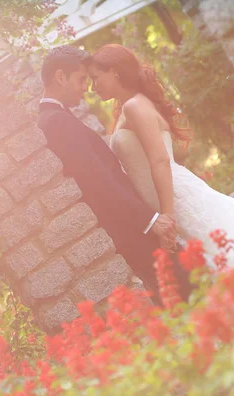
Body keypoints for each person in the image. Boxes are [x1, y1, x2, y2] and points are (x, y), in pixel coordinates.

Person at [36, 45, 192, 304]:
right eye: (82, 79)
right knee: (187, 293)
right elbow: (99, 182)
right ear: (60, 77)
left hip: (139, 224)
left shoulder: (57, 118)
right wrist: (151, 220)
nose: (86, 87)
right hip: (135, 229)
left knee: (187, 290)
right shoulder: (54, 122)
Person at [88, 43, 234, 269]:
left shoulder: (135, 106)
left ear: (114, 71)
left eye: (96, 78)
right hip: (166, 200)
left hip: (174, 199)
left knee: (222, 254)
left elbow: (160, 159)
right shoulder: (129, 106)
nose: (92, 86)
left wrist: (167, 217)